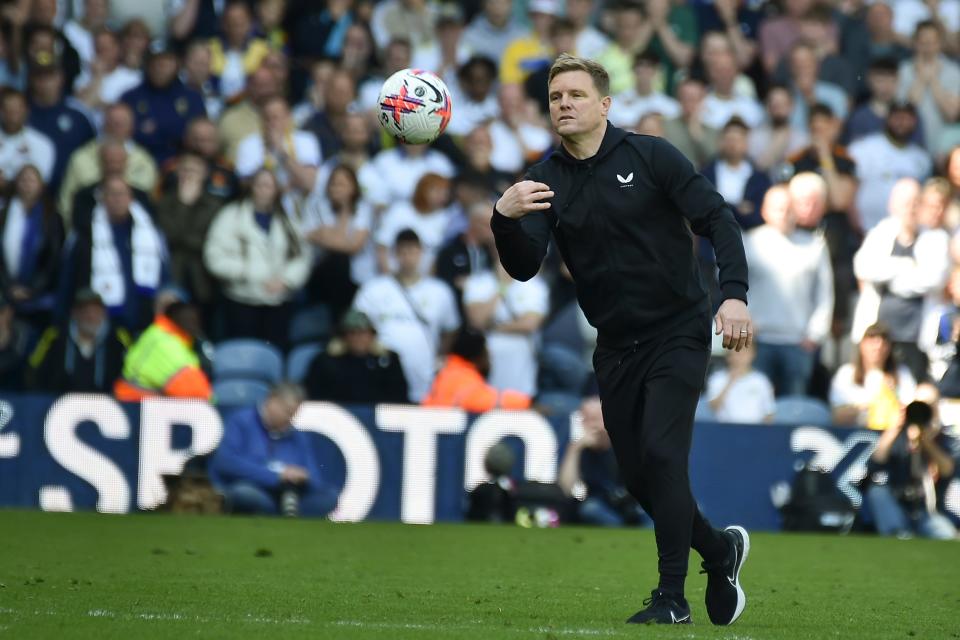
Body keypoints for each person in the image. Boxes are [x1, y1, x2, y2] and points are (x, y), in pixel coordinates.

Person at [490, 54, 752, 626]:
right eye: (556, 96)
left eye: (576, 95)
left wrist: (734, 294)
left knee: (662, 455)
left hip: (679, 328)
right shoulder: (542, 182)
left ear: (604, 105)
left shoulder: (650, 154)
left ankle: (672, 598)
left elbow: (718, 218)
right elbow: (525, 267)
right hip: (614, 344)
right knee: (636, 477)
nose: (564, 104)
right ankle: (718, 549)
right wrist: (503, 219)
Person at [851, 178, 950, 381]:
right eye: (905, 203)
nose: (910, 209)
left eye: (916, 202)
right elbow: (863, 267)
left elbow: (933, 279)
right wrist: (905, 266)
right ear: (892, 205)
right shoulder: (880, 233)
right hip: (880, 336)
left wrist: (890, 277)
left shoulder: (935, 238)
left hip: (917, 336)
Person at [203, 168, 311, 350]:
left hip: (278, 301)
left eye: (269, 185)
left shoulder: (288, 219)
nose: (264, 190)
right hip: (241, 298)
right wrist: (246, 272)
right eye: (260, 184)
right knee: (242, 350)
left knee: (274, 352)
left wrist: (287, 280)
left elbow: (303, 255)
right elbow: (214, 256)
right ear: (252, 187)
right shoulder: (230, 216)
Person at [743, 184, 833, 396]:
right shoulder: (749, 243)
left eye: (788, 208)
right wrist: (745, 323)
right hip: (759, 340)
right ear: (764, 211)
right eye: (778, 208)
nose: (784, 214)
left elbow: (825, 294)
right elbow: (732, 287)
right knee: (755, 404)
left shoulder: (815, 245)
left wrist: (815, 334)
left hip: (798, 343)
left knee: (794, 409)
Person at [352, 229, 460, 403]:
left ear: (421, 253)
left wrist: (439, 355)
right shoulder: (374, 289)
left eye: (412, 251)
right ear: (395, 254)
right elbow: (358, 326)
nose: (408, 257)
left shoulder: (440, 292)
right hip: (383, 374)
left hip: (425, 374)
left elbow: (450, 330)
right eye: (403, 251)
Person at [209, 382, 339, 518]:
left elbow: (315, 479)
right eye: (288, 412)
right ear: (272, 401)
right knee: (244, 494)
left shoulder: (297, 436)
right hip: (254, 489)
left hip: (291, 495)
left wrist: (302, 477)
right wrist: (276, 476)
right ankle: (283, 514)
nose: (290, 419)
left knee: (329, 497)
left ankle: (283, 513)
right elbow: (226, 462)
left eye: (294, 414)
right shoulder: (241, 421)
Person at [61, 176, 168, 333]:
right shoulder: (85, 233)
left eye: (122, 194)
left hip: (144, 315)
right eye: (112, 194)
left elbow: (164, 273)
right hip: (103, 322)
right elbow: (68, 278)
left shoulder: (150, 231)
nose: (118, 199)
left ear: (131, 198)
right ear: (102, 198)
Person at [864, 399, 957, 539]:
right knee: (877, 492)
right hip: (897, 503)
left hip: (927, 510)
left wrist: (924, 440)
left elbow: (947, 469)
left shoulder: (942, 439)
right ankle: (897, 533)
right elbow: (877, 460)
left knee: (947, 536)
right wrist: (894, 427)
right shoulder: (897, 438)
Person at [464, 256, 549, 398]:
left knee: (516, 408)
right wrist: (502, 288)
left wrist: (493, 327)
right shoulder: (478, 283)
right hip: (486, 361)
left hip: (520, 363)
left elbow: (529, 324)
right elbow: (477, 320)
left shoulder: (534, 284)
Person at [558, 395, 645, 526]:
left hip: (633, 504)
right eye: (585, 420)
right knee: (590, 509)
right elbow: (567, 489)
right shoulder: (580, 449)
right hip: (601, 505)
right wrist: (574, 450)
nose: (591, 425)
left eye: (596, 419)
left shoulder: (629, 444)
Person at [27, 288, 130, 394]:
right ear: (74, 313)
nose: (90, 316)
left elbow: (131, 373)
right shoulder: (55, 335)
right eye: (85, 311)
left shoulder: (118, 338)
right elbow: (33, 369)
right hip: (60, 405)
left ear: (104, 313)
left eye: (95, 311)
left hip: (107, 406)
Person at [0, 165, 64, 330]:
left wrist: (33, 288)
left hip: (41, 295)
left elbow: (53, 259)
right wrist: (9, 287)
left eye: (31, 180)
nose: (27, 184)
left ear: (41, 185)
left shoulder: (51, 217)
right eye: (23, 180)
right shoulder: (5, 214)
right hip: (7, 292)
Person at [120, 44, 206, 166]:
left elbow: (198, 136)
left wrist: (155, 130)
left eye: (167, 62)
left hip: (181, 163)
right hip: (138, 162)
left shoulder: (192, 98)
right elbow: (123, 135)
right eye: (157, 62)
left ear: (177, 64)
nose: (161, 67)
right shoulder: (131, 97)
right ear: (148, 64)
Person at [114, 301, 212, 402]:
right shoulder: (164, 342)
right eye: (185, 310)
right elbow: (197, 393)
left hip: (141, 406)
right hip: (134, 406)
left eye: (195, 312)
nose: (192, 317)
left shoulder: (166, 335)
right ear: (173, 313)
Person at [304, 309, 408, 405]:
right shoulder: (326, 362)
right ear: (343, 336)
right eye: (352, 332)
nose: (358, 338)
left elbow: (399, 398)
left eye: (363, 332)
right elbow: (315, 397)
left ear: (372, 335)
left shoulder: (389, 361)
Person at [422, 327, 532, 412]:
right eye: (487, 355)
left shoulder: (446, 373)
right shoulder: (460, 377)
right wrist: (527, 403)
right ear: (478, 357)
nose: (489, 361)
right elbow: (488, 400)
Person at [830, 322, 918, 429]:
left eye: (883, 344)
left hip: (894, 431)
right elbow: (836, 414)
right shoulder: (846, 373)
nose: (877, 348)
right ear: (862, 345)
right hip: (854, 434)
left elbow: (910, 406)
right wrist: (869, 407)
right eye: (872, 342)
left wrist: (893, 397)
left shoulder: (901, 373)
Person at [705, 339, 776, 423]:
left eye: (743, 353)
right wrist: (730, 382)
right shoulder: (717, 378)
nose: (739, 357)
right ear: (729, 356)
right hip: (725, 429)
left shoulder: (761, 380)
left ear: (752, 354)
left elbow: (769, 412)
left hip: (754, 430)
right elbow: (713, 407)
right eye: (735, 352)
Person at [0, 292, 32, 391]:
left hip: (15, 392)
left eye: (0, 312)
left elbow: (18, 362)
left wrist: (4, 343)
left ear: (9, 313)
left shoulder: (23, 332)